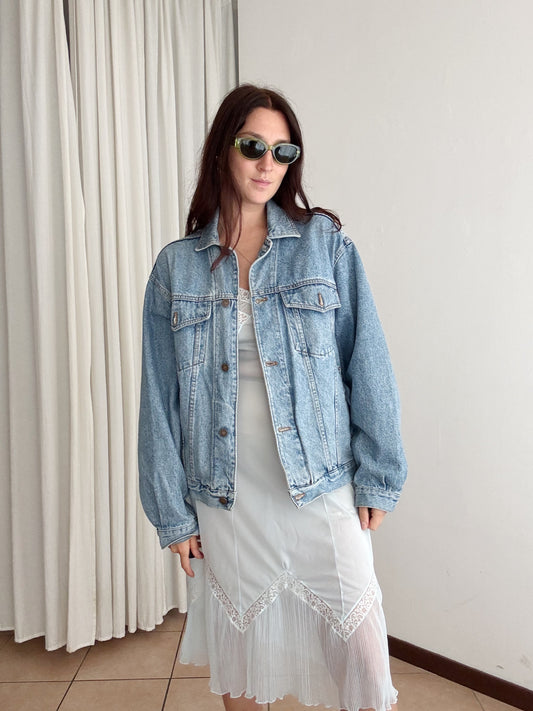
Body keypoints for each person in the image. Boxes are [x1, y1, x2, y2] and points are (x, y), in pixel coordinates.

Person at [138, 84, 407, 711]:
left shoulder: (324, 244)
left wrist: (380, 473)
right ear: (222, 150)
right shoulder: (176, 267)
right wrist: (172, 513)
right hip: (227, 498)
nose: (268, 164)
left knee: (364, 661)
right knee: (244, 668)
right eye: (253, 146)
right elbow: (159, 398)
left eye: (283, 151)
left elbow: (367, 359)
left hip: (320, 483)